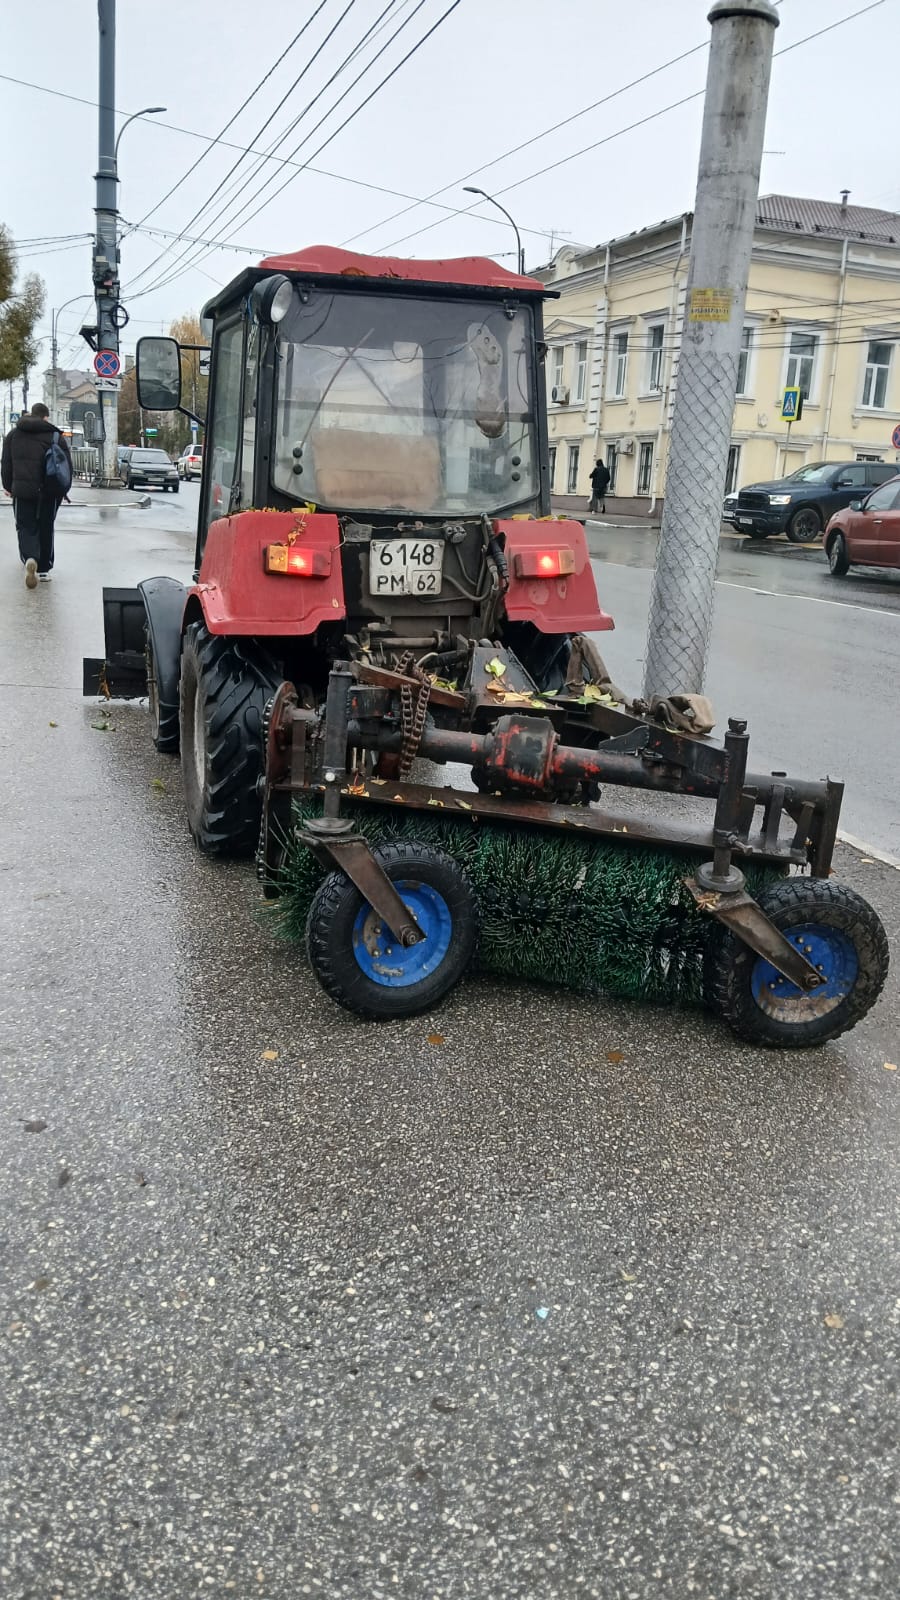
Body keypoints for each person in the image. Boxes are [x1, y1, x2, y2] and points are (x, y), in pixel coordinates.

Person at [1, 402, 72, 586]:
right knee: (46, 527)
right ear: (45, 417)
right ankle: (43, 570)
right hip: (49, 491)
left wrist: (9, 486)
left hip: (22, 491)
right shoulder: (55, 436)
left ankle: (30, 557)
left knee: (25, 526)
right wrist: (63, 489)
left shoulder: (14, 435)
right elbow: (66, 466)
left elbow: (6, 464)